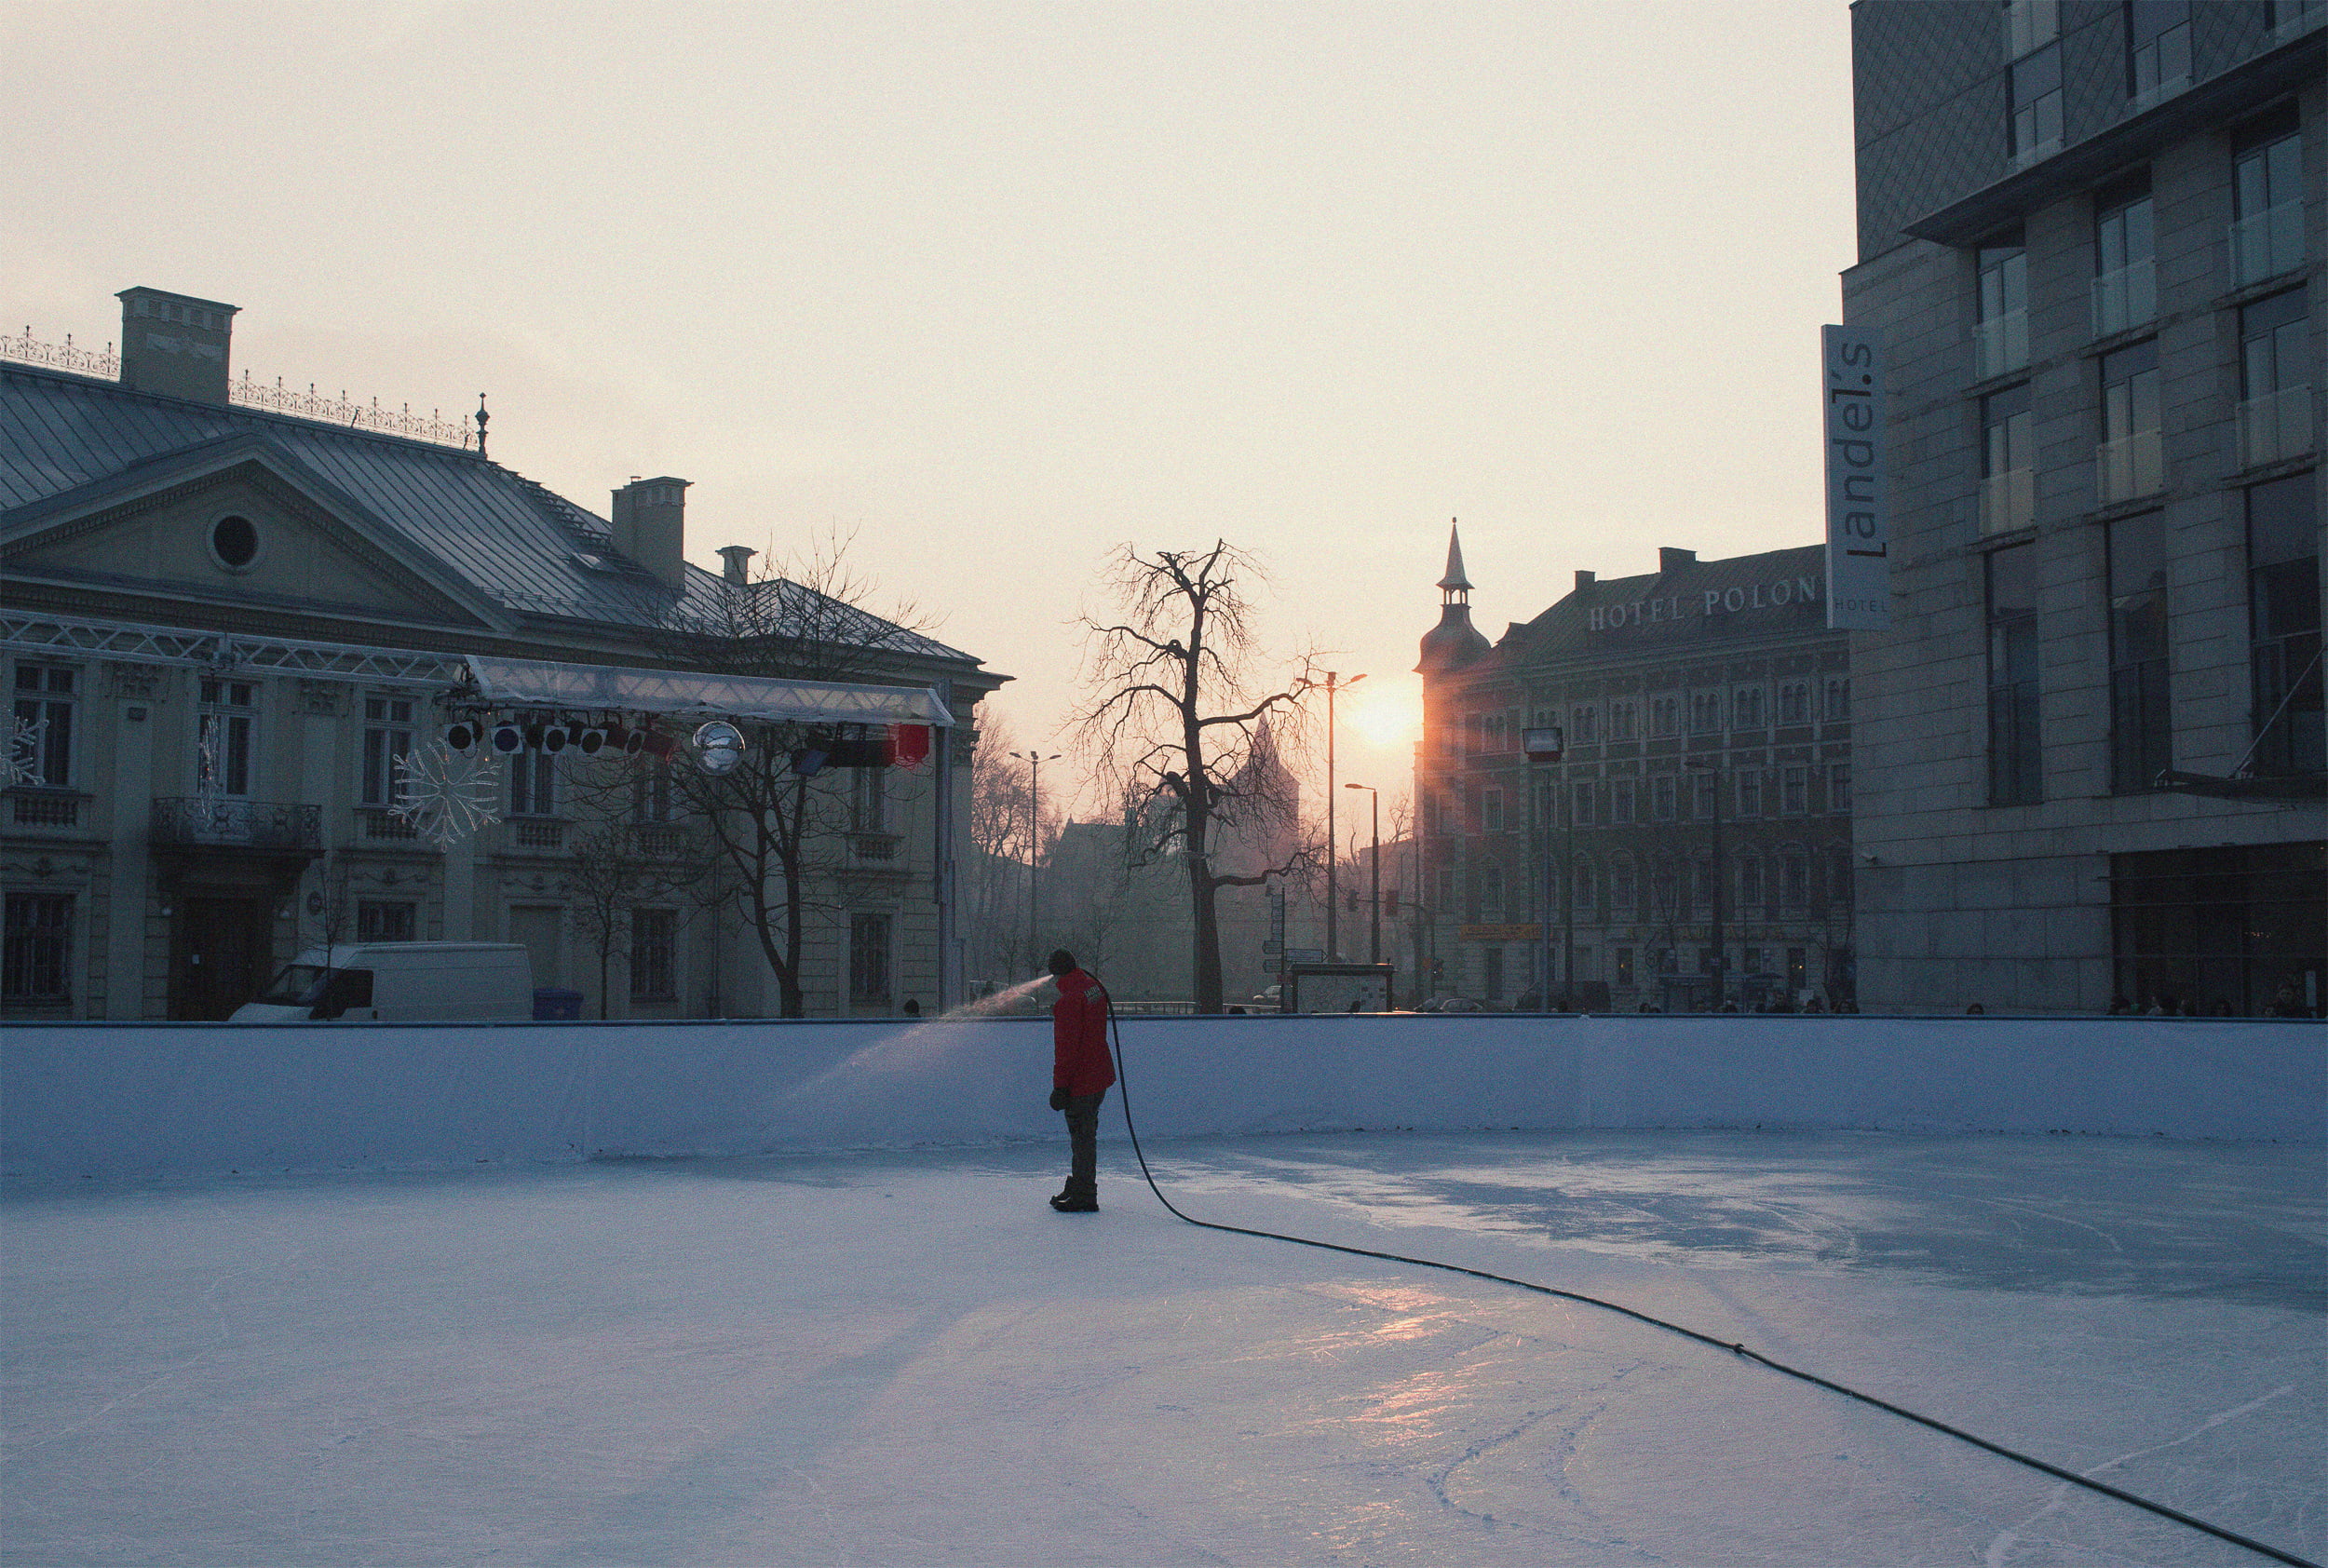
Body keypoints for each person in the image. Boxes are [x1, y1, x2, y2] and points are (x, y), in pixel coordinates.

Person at [1045, 949, 1114, 1213]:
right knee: (1085, 1134)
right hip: (1099, 1074)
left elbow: (1065, 1050)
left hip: (1082, 1081)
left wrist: (1060, 1087)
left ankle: (1085, 1194)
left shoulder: (1068, 1003)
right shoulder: (1093, 988)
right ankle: (1078, 1184)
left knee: (1082, 1138)